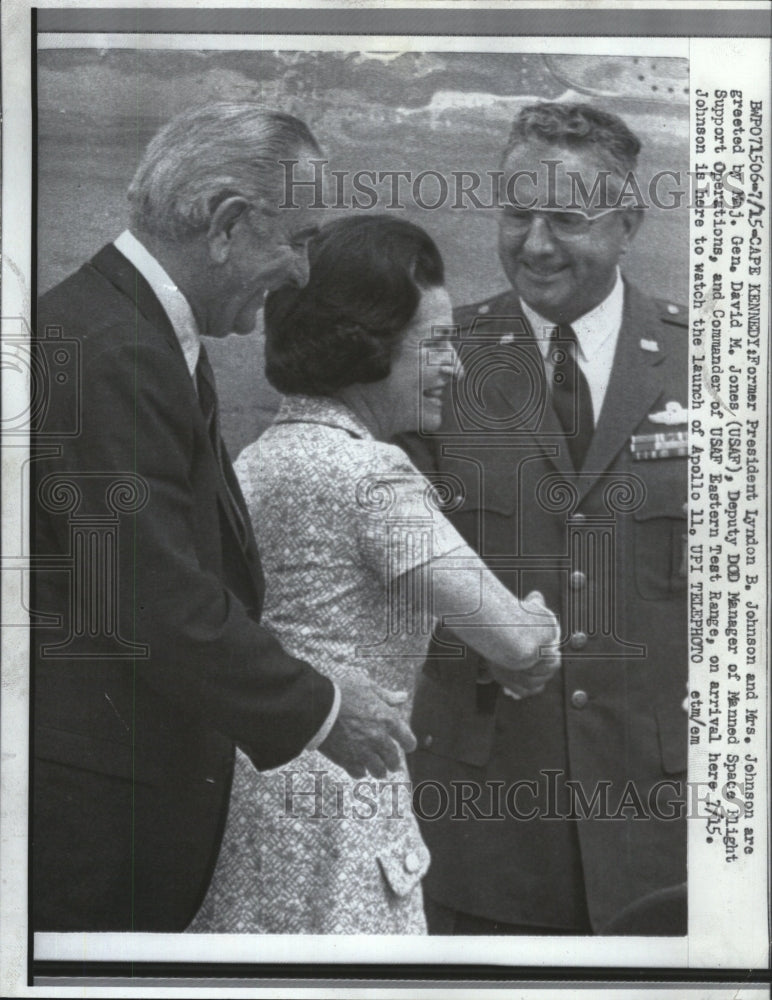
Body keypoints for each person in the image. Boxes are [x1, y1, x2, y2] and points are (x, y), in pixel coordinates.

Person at [31, 103, 417, 932]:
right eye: (301, 238)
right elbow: (152, 599)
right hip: (93, 830)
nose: (306, 272)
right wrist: (320, 707)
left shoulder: (126, 328)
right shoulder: (118, 351)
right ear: (228, 225)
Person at [187, 215, 561, 934]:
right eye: (438, 342)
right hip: (344, 817)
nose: (455, 365)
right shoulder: (372, 475)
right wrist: (539, 632)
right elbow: (511, 639)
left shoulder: (255, 463)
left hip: (247, 813)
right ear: (370, 344)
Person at [403, 103, 689, 935]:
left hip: (663, 819)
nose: (535, 244)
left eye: (566, 218)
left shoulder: (712, 363)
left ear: (628, 222)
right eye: (517, 214)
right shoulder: (436, 362)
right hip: (486, 824)